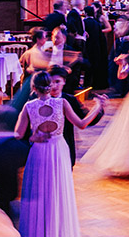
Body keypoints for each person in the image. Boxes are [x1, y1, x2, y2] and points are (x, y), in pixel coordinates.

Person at [14, 71, 103, 237]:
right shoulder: (61, 103)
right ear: (49, 86)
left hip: (38, 151)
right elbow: (82, 124)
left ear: (33, 87)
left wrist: (33, 136)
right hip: (59, 150)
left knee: (39, 192)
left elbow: (18, 134)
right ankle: (58, 229)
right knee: (58, 190)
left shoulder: (28, 106)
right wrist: (97, 107)